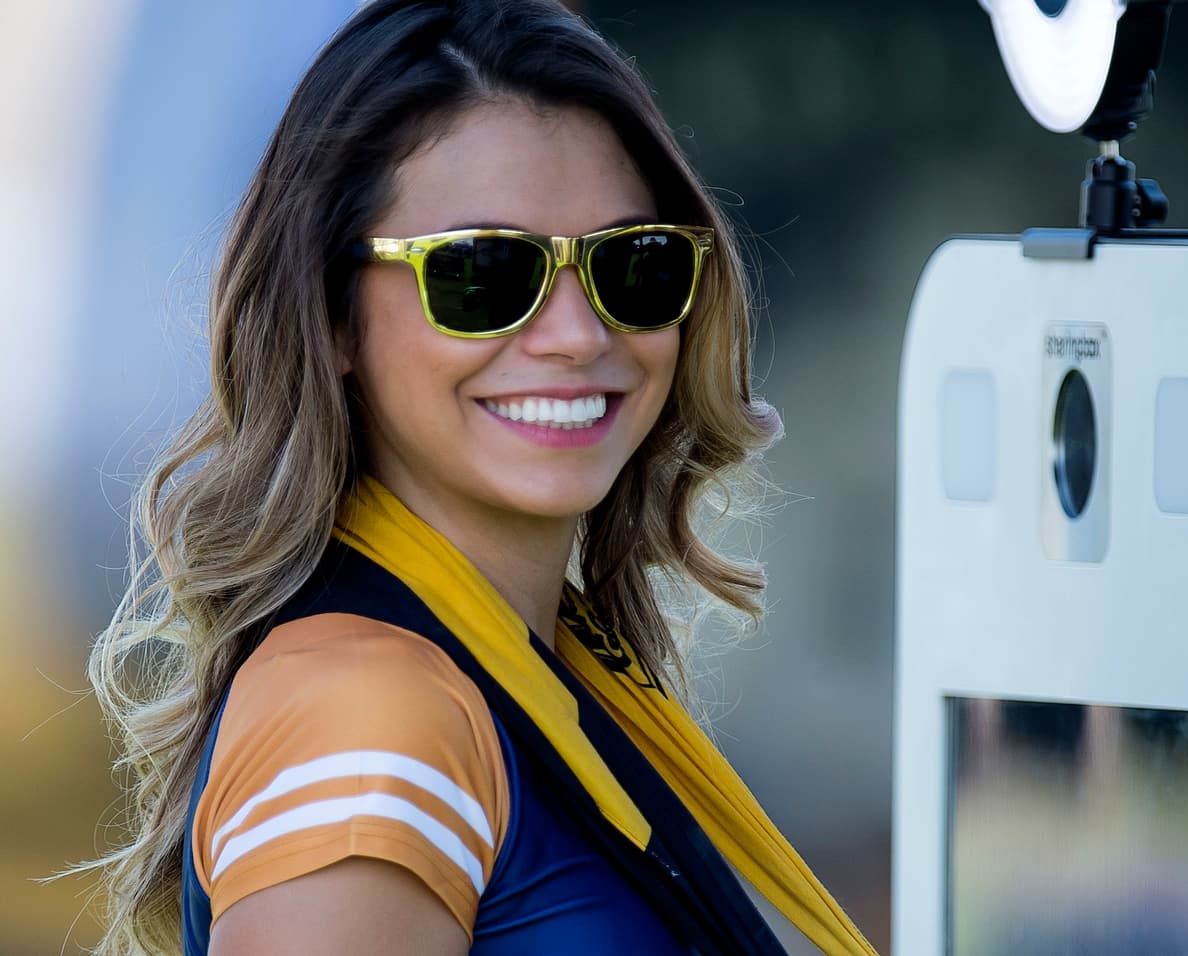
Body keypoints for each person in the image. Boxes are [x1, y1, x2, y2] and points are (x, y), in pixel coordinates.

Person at [88, 1, 879, 954]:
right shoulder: (368, 716)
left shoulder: (512, 678)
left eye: (633, 265)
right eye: (483, 277)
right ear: (334, 318)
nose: (580, 336)